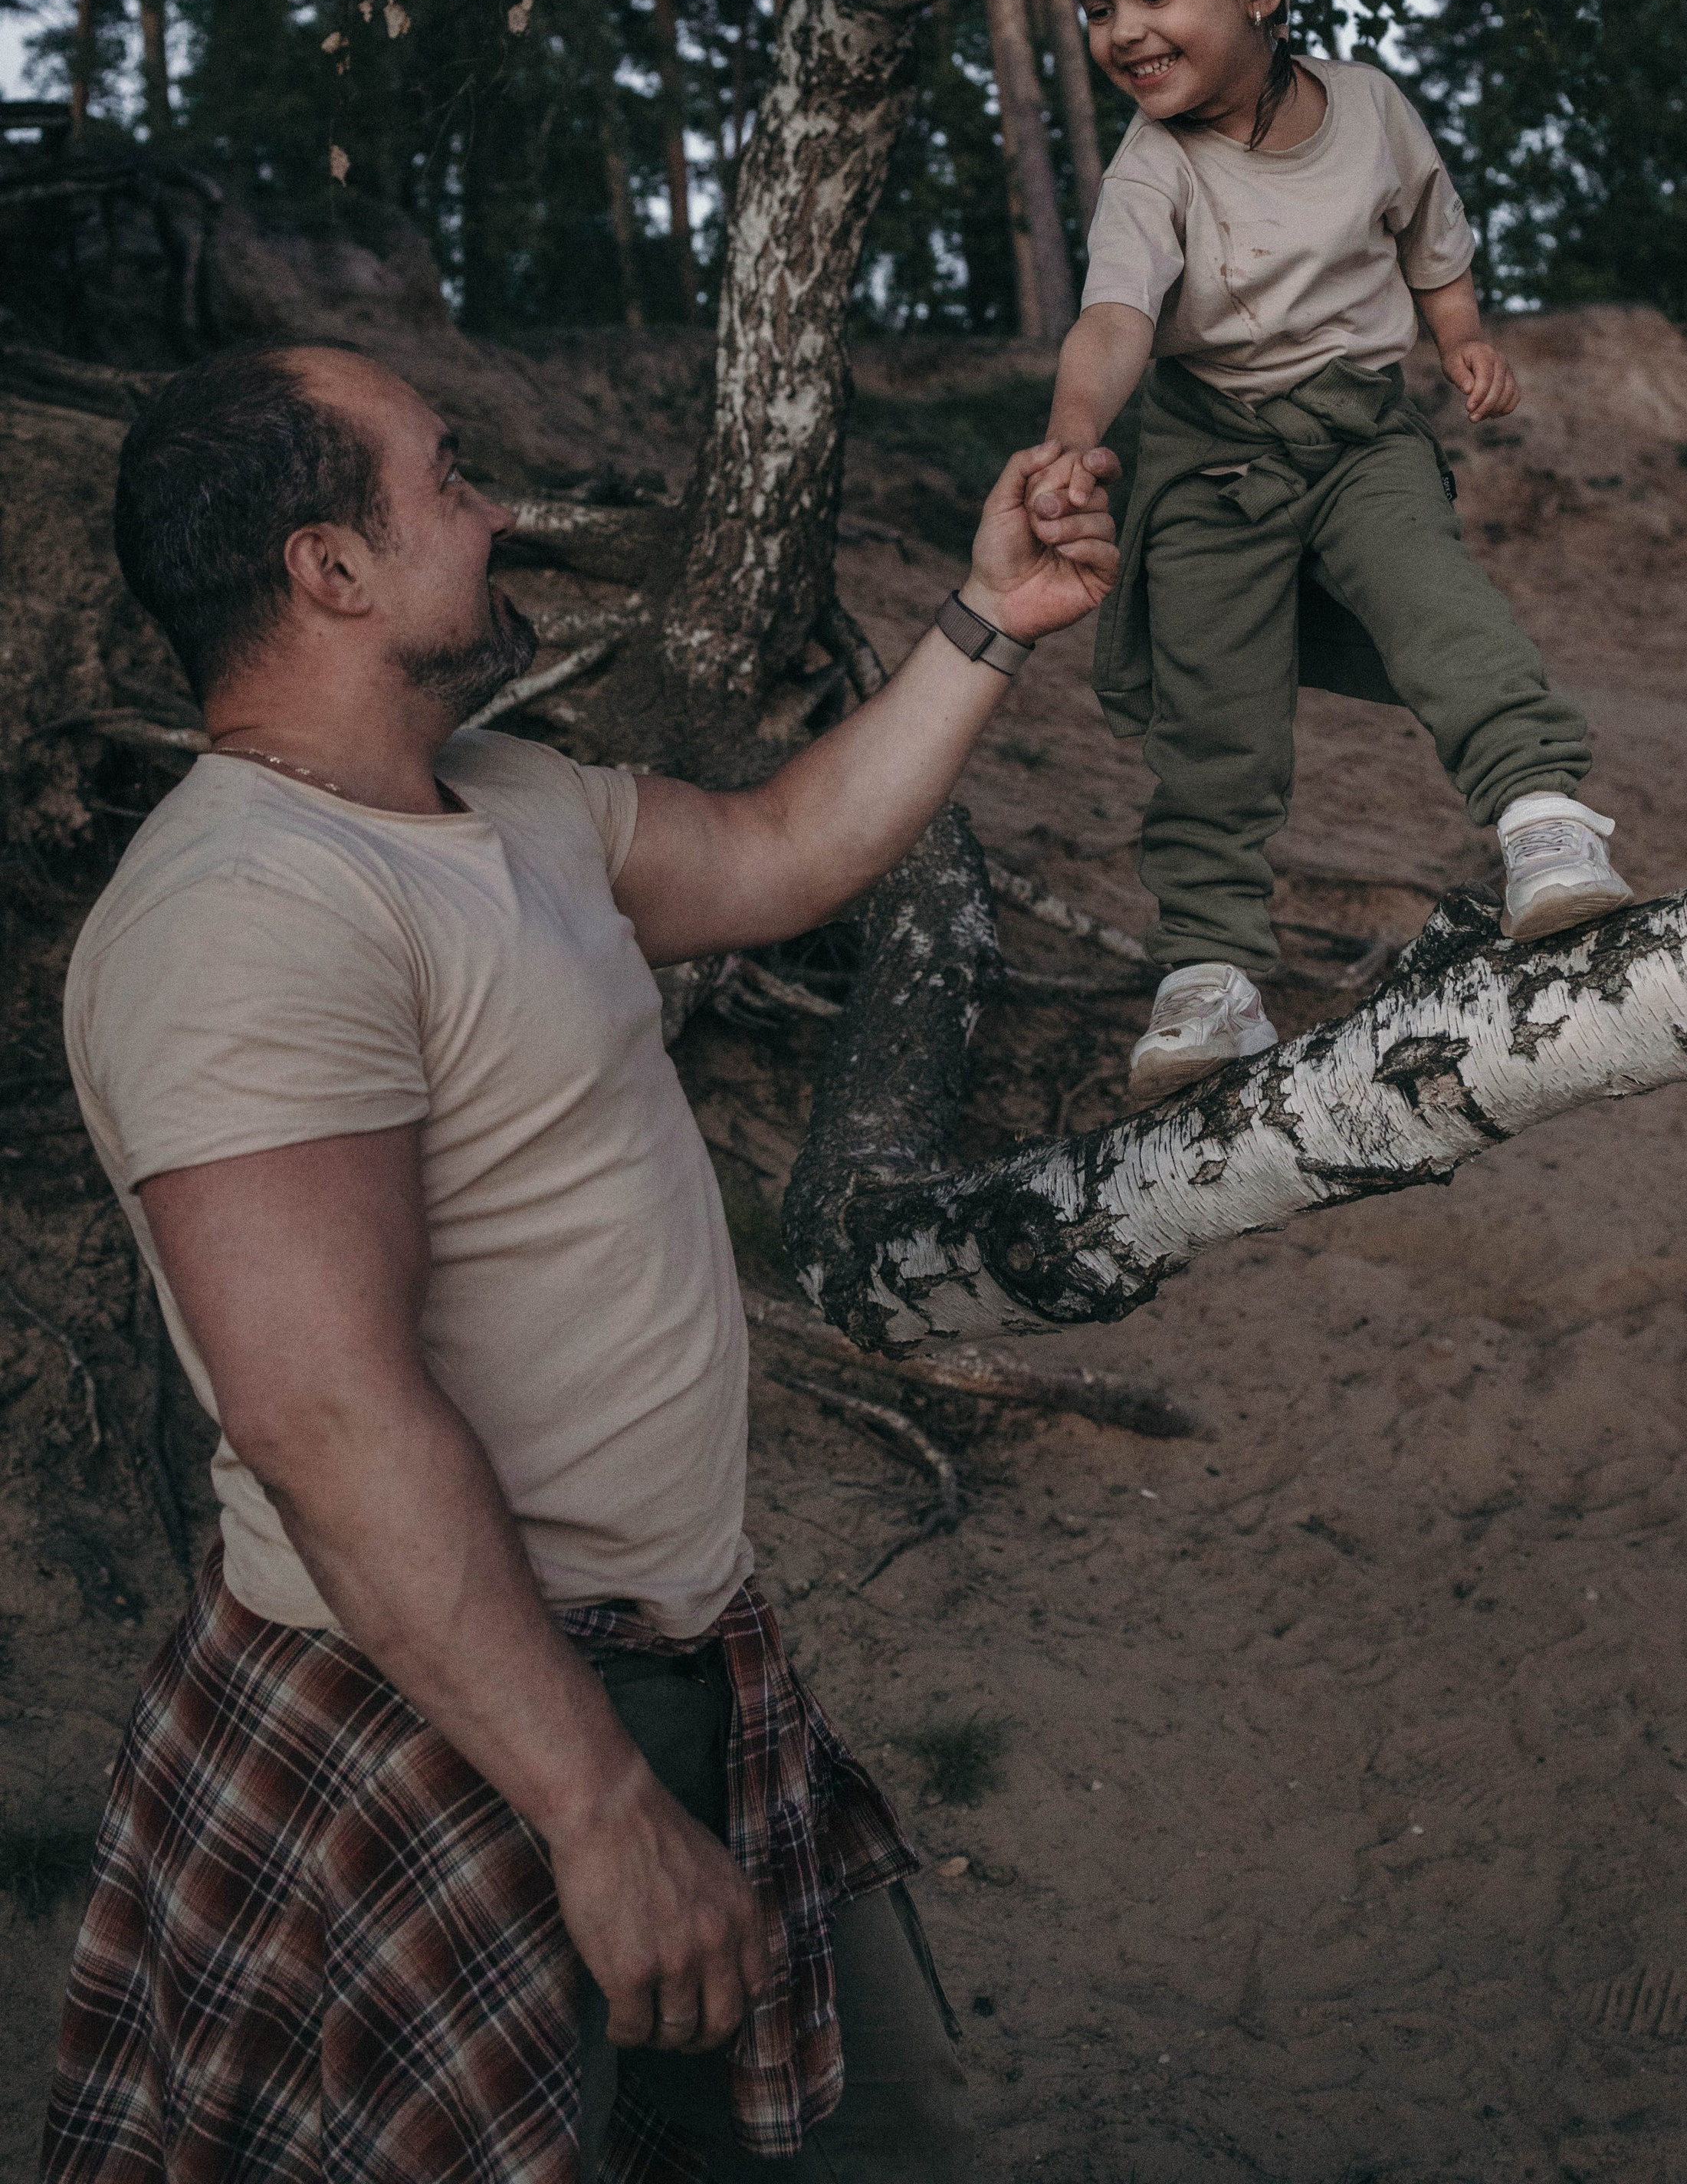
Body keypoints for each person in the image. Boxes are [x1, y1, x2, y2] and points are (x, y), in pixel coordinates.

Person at [43, 341, 1118, 2184]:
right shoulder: (244, 916)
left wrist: (989, 621)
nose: (499, 512)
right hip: (454, 1705)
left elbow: (780, 850)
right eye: (448, 476)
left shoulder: (507, 799)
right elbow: (324, 1415)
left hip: (669, 1660)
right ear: (331, 569)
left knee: (856, 2143)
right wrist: (597, 1807)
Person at [1029, 0, 1632, 1108]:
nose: (1123, 31)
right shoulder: (1151, 169)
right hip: (1211, 467)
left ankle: (1542, 820)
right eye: (1098, 7)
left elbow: (1430, 234)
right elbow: (1116, 316)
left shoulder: (1368, 107)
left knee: (1436, 603)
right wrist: (1074, 434)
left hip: (1361, 441)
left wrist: (1461, 338)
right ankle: (1210, 973)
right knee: (1214, 716)